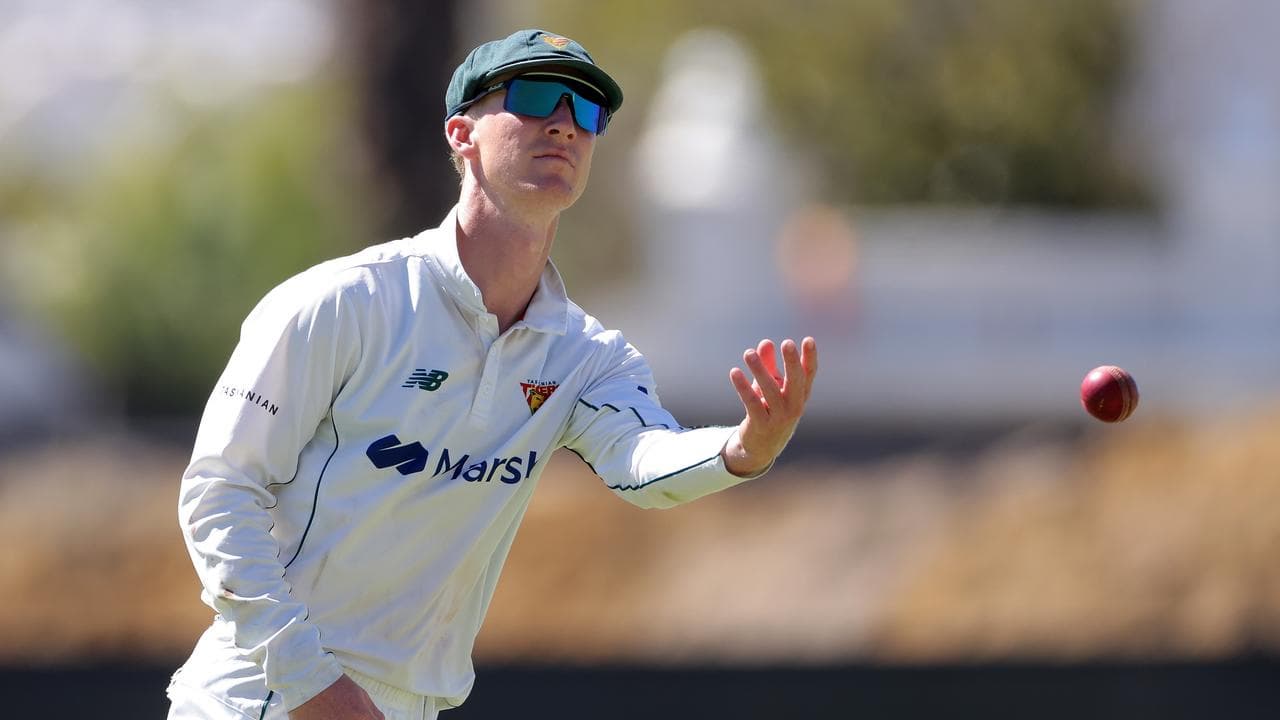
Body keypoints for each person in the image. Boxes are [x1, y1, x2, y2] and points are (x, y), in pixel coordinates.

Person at [167, 28, 818, 720]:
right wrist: (307, 680)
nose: (564, 124)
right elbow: (219, 491)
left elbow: (641, 462)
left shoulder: (585, 355)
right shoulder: (342, 303)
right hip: (259, 697)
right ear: (462, 133)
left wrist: (742, 448)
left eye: (586, 111)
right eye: (535, 97)